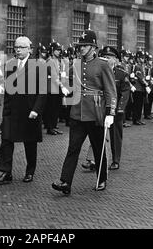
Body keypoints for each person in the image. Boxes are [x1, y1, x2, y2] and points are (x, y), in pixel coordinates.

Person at [52, 30, 116, 194]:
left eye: (84, 45)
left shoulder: (103, 64)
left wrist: (110, 113)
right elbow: (68, 81)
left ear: (93, 47)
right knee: (73, 148)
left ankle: (101, 179)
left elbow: (110, 91)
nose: (80, 48)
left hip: (95, 112)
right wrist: (65, 85)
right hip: (77, 112)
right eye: (79, 45)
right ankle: (65, 182)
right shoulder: (76, 63)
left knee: (97, 148)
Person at [0, 36, 47, 184]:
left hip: (30, 110)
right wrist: (5, 109)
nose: (18, 50)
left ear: (30, 48)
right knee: (6, 140)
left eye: (22, 47)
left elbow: (43, 91)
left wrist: (36, 109)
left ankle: (30, 171)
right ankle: (5, 171)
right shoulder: (10, 64)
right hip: (12, 110)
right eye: (16, 47)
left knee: (30, 142)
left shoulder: (39, 65)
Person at [82, 46, 130, 171]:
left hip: (115, 108)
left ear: (116, 60)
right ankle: (92, 160)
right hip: (100, 107)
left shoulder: (121, 74)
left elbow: (125, 93)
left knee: (115, 135)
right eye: (104, 57)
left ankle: (115, 160)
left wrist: (119, 109)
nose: (106, 60)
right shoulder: (98, 70)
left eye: (109, 57)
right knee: (97, 134)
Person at [45, 41, 64, 135]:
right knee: (51, 109)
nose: (59, 52)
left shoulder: (57, 61)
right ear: (52, 50)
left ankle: (54, 126)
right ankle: (50, 127)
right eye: (57, 50)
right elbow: (54, 76)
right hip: (52, 88)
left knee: (56, 108)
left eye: (59, 50)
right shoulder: (50, 61)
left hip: (57, 88)